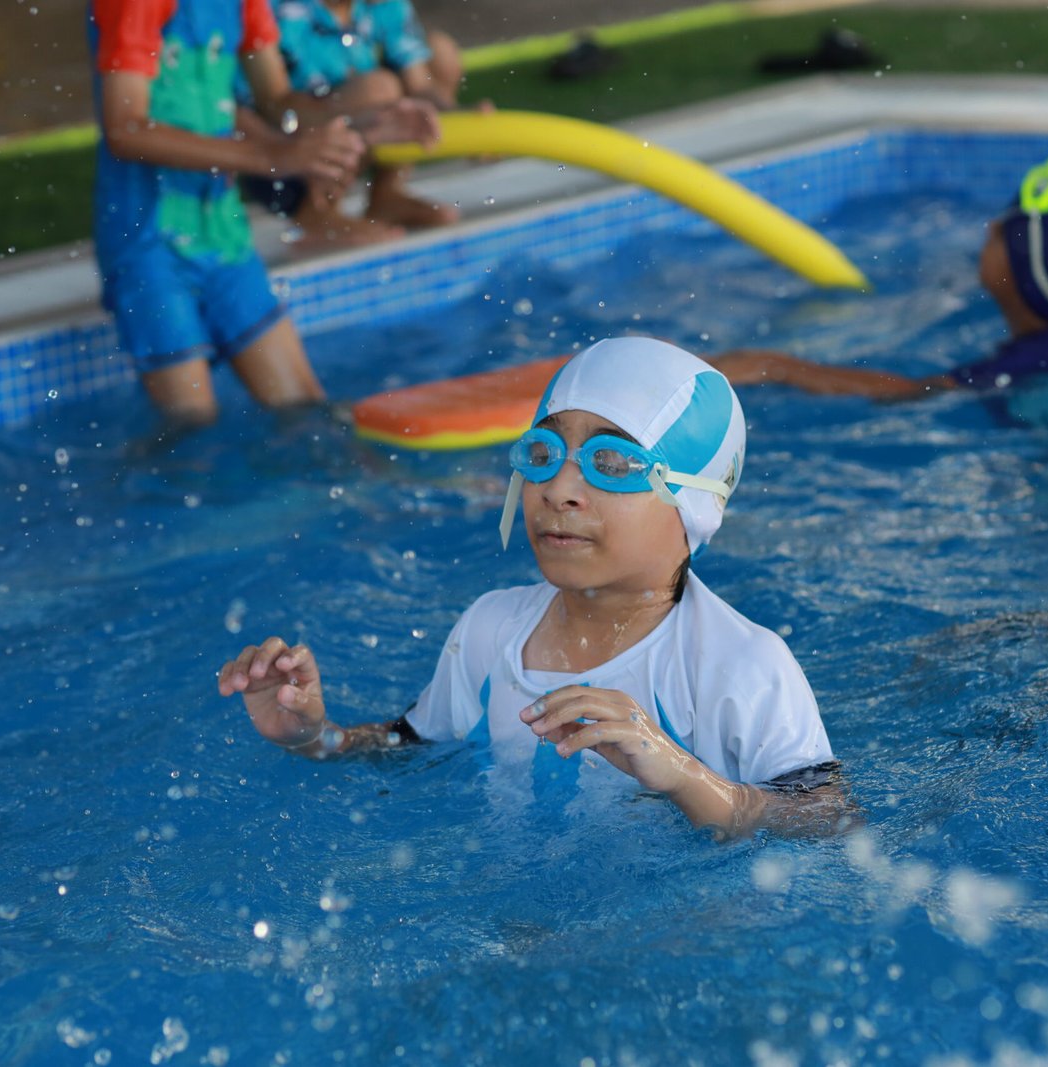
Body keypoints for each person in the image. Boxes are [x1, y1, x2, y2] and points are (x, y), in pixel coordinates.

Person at [219, 338, 854, 838]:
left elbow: (830, 820)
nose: (559, 490)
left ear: (694, 505)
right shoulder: (491, 628)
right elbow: (408, 749)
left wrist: (688, 778)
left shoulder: (741, 663)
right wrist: (315, 736)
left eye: (612, 464)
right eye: (543, 454)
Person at [89, 0, 438, 423]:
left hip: (225, 238)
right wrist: (273, 157)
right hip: (149, 244)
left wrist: (366, 122)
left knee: (308, 412)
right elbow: (125, 129)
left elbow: (277, 102)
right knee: (192, 425)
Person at [709, 153, 1048, 400]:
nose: (990, 227)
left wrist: (779, 367)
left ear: (1017, 269)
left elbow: (913, 393)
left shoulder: (1022, 365)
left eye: (1003, 229)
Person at [243, 0, 465, 249]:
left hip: (340, 127)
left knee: (439, 54)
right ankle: (317, 213)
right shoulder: (277, 11)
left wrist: (469, 121)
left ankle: (386, 193)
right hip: (278, 162)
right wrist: (359, 120)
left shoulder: (383, 4)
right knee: (380, 88)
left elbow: (420, 85)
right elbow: (270, 105)